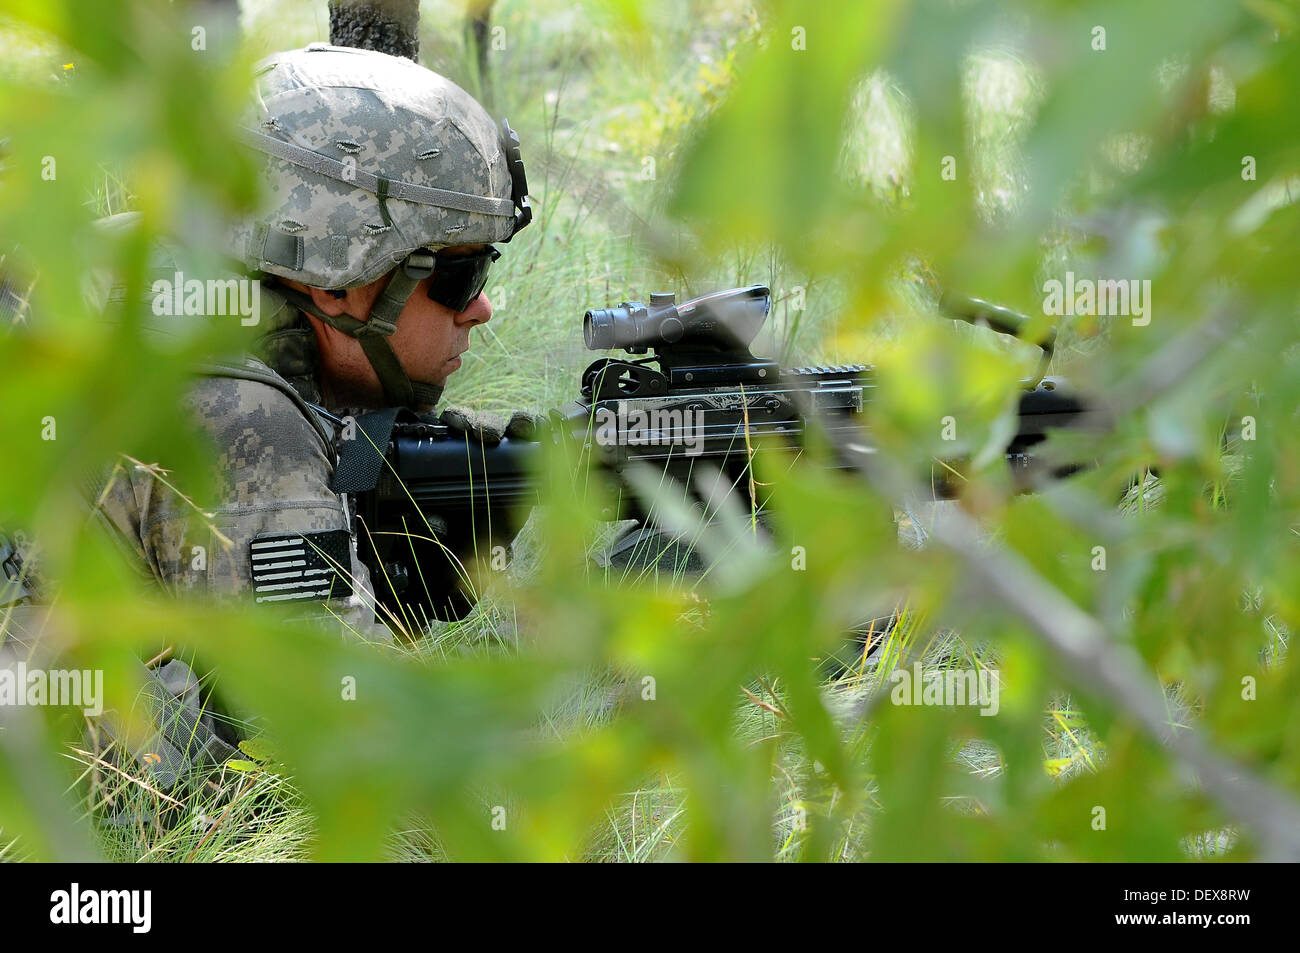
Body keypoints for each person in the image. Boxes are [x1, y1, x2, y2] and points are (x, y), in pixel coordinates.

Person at [80, 42, 535, 789]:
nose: (480, 309)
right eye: (460, 275)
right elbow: (359, 764)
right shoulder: (245, 417)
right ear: (335, 283)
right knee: (195, 748)